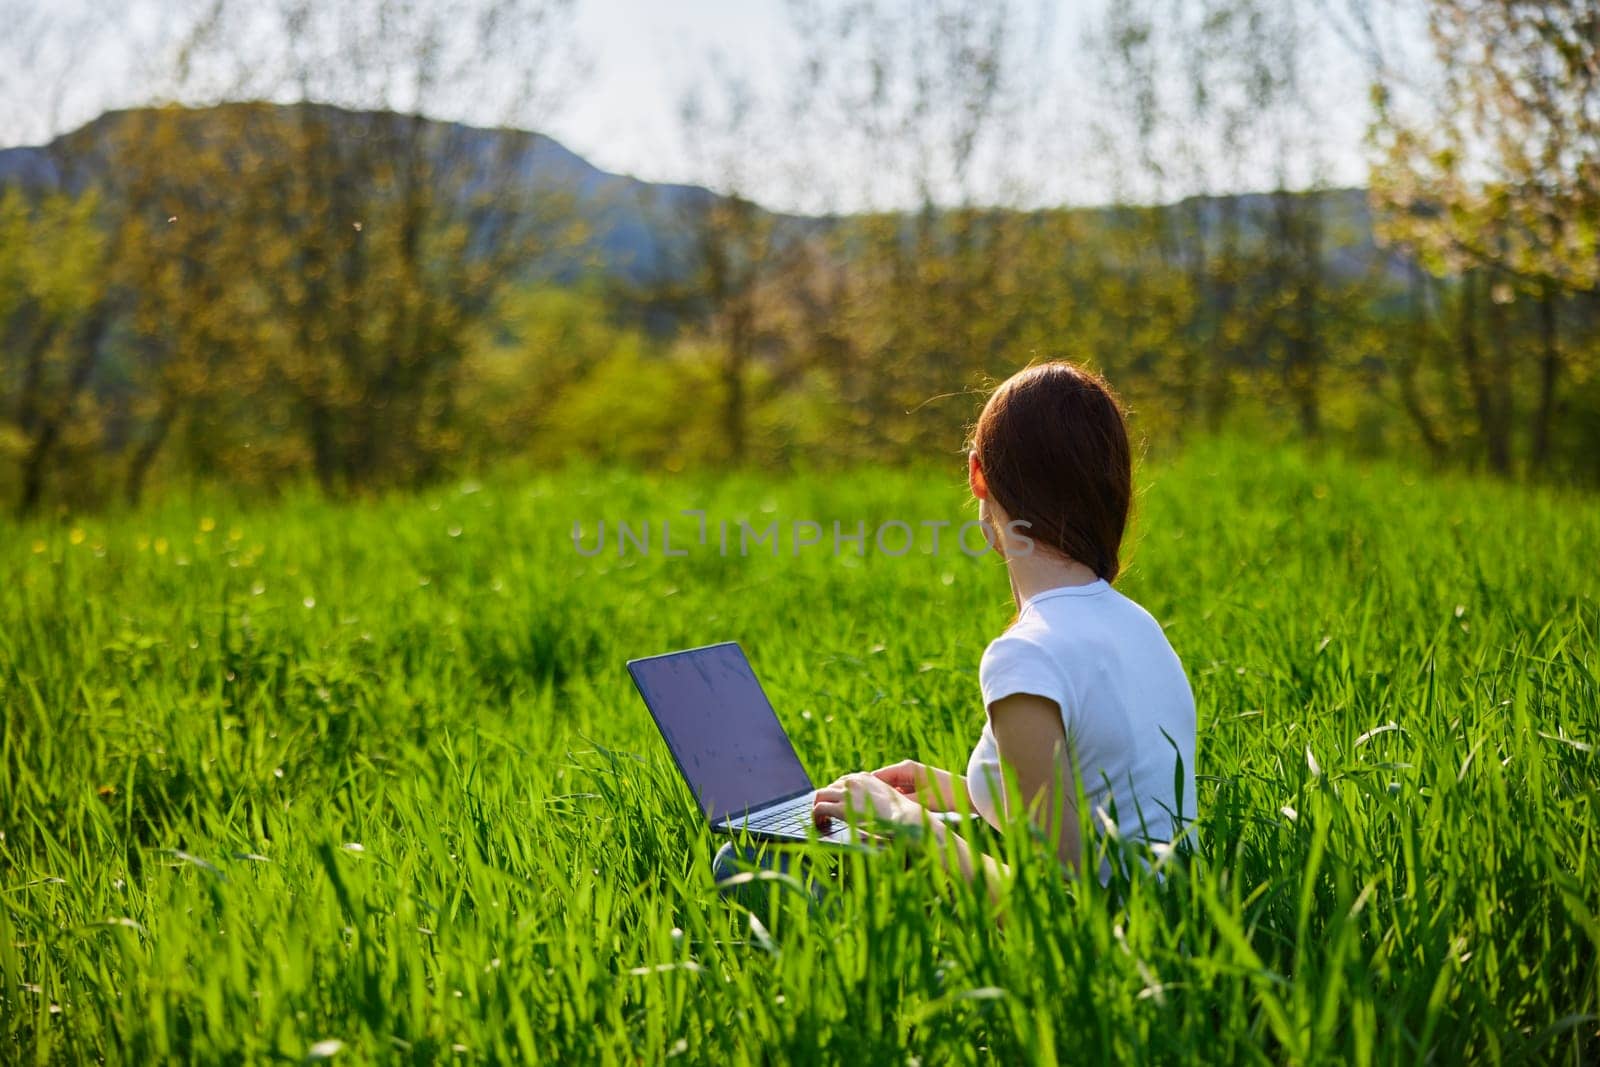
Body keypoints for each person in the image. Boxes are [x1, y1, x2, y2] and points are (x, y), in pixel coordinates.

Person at [717, 361, 1197, 904]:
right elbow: (1095, 798)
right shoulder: (1139, 625)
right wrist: (963, 792)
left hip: (1109, 954)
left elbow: (1060, 907)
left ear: (978, 476)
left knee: (741, 857)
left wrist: (907, 822)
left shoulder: (1027, 654)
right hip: (1171, 924)